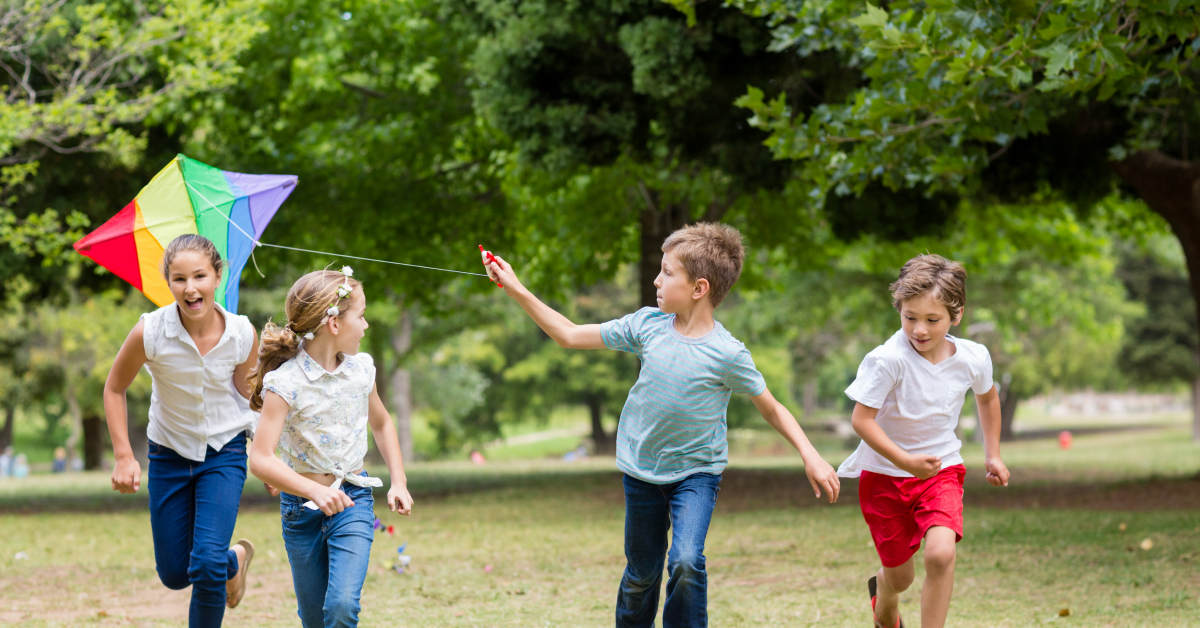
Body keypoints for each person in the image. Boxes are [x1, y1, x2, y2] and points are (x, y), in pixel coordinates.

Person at [483, 223, 840, 628]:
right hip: (641, 471)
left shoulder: (728, 354)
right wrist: (516, 289)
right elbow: (568, 334)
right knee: (641, 577)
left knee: (686, 561)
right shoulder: (647, 325)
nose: (656, 279)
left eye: (668, 273)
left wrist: (810, 455)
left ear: (699, 288)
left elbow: (772, 408)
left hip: (696, 474)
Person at [838, 254, 1010, 628]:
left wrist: (992, 454)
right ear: (899, 309)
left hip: (940, 470)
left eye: (932, 320)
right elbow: (861, 420)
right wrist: (904, 461)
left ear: (956, 315)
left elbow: (987, 397)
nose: (919, 329)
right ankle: (883, 596)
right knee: (901, 578)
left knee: (940, 554)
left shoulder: (972, 357)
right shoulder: (887, 360)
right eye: (909, 317)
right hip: (884, 477)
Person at [104, 234, 261, 627]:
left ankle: (219, 564)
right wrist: (124, 455)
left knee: (204, 566)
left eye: (199, 276)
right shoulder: (151, 332)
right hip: (169, 454)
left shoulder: (242, 334)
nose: (190, 288)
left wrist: (267, 454)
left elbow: (249, 396)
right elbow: (114, 388)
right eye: (179, 279)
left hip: (224, 454)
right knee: (176, 574)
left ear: (217, 276)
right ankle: (235, 560)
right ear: (168, 282)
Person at [246, 267, 413, 628]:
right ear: (334, 324)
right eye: (362, 316)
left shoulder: (361, 371)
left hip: (353, 499)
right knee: (314, 618)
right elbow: (260, 459)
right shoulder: (285, 382)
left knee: (340, 607)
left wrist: (398, 481)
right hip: (300, 511)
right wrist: (310, 491)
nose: (366, 326)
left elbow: (382, 423)